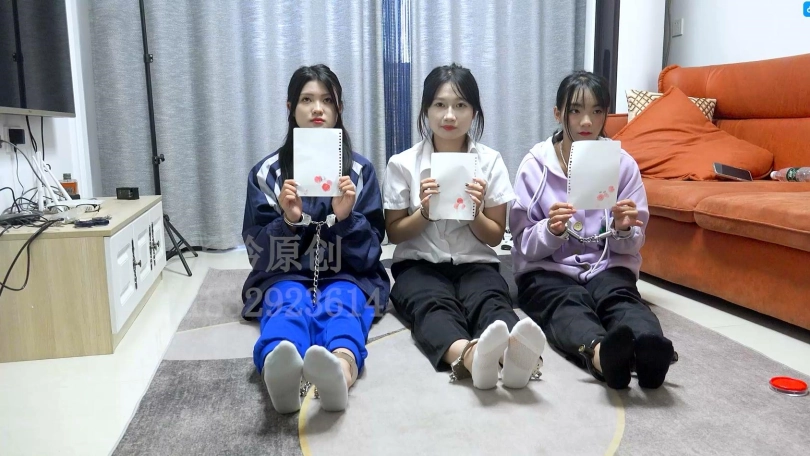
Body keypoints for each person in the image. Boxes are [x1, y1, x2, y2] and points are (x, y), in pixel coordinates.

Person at [383, 63, 546, 390]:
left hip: (475, 261)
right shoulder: (403, 164)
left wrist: (475, 212)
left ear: (474, 112)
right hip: (418, 264)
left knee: (491, 300)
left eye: (460, 105)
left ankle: (515, 358)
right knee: (431, 306)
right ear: (426, 110)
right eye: (440, 105)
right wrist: (424, 213)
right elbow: (394, 233)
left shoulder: (490, 161)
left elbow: (495, 235)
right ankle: (471, 357)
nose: (449, 115)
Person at [509, 70, 675, 390]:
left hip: (607, 266)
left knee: (621, 298)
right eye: (575, 110)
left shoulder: (622, 164)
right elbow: (523, 243)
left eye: (597, 111)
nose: (587, 121)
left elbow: (633, 244)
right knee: (565, 305)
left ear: (606, 115)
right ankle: (602, 355)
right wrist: (550, 230)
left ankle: (650, 351)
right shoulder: (535, 166)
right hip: (548, 271)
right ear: (558, 113)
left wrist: (623, 230)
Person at [241, 64, 390, 413]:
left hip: (346, 272)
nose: (317, 109)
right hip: (286, 273)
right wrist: (288, 221)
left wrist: (345, 218)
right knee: (287, 303)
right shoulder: (267, 174)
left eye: (327, 100)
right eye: (307, 100)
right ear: (291, 107)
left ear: (339, 109)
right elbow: (258, 254)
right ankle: (280, 372)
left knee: (342, 305)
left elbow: (371, 250)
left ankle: (341, 370)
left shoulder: (359, 172)